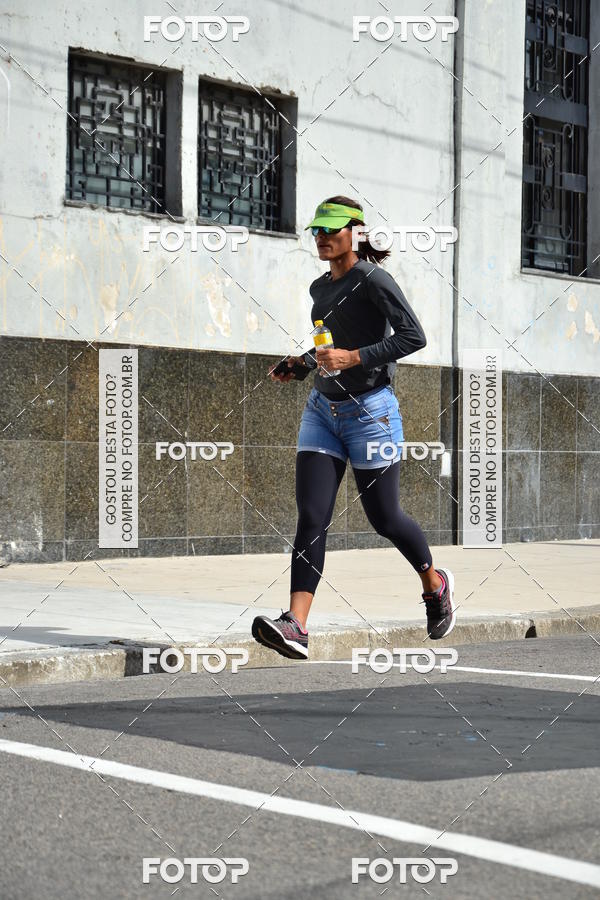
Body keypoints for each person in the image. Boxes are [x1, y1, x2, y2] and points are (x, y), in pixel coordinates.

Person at [251, 196, 455, 660]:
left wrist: (355, 358)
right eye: (317, 231)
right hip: (322, 411)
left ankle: (434, 583)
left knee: (384, 519)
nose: (321, 238)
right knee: (312, 516)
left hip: (372, 414)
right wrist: (302, 364)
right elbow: (330, 347)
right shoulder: (318, 289)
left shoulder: (373, 279)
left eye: (331, 230)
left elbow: (412, 336)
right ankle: (297, 625)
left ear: (356, 233)